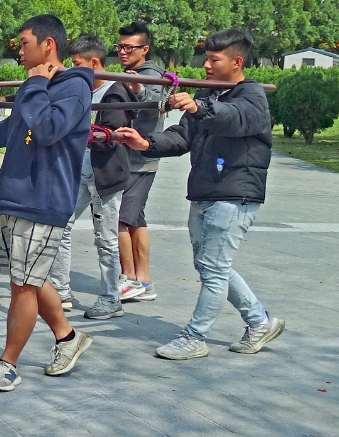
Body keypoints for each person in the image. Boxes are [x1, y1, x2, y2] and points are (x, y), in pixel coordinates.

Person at [114, 29, 285, 360]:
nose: (206, 65)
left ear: (236, 62)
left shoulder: (251, 96)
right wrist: (145, 143)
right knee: (210, 266)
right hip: (204, 192)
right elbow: (182, 137)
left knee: (214, 267)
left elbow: (234, 120)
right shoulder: (209, 95)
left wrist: (198, 108)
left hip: (235, 196)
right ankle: (259, 321)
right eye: (205, 58)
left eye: (213, 60)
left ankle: (195, 336)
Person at [0, 15, 95, 392]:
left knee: (23, 285)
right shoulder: (41, 85)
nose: (19, 51)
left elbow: (46, 129)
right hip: (18, 196)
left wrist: (34, 84)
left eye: (24, 43)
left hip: (43, 198)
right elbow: (14, 127)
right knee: (30, 277)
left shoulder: (73, 86)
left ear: (48, 44)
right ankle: (67, 338)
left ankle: (8, 363)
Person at [46, 34, 134, 320]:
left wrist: (75, 131)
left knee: (106, 239)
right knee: (59, 225)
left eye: (77, 64)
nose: (72, 69)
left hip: (105, 175)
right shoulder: (79, 89)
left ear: (94, 63)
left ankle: (111, 299)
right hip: (78, 172)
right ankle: (61, 290)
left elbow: (112, 135)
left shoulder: (115, 92)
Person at [115, 21, 165, 302]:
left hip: (140, 159)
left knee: (120, 218)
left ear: (144, 49)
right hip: (132, 158)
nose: (123, 51)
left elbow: (153, 100)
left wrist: (138, 88)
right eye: (120, 46)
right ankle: (143, 280)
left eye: (129, 47)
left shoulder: (151, 75)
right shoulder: (131, 73)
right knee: (135, 218)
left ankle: (130, 278)